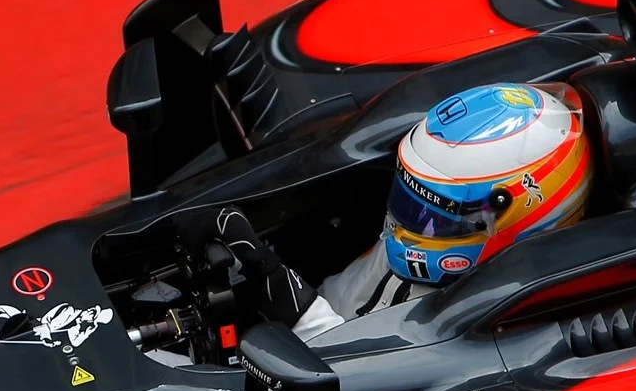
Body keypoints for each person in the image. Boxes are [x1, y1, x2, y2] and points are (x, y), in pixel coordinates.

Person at [197, 82, 594, 340]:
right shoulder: (412, 241)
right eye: (411, 197)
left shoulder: (500, 317)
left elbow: (367, 372)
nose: (410, 222)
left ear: (521, 214)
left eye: (440, 215)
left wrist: (294, 305)